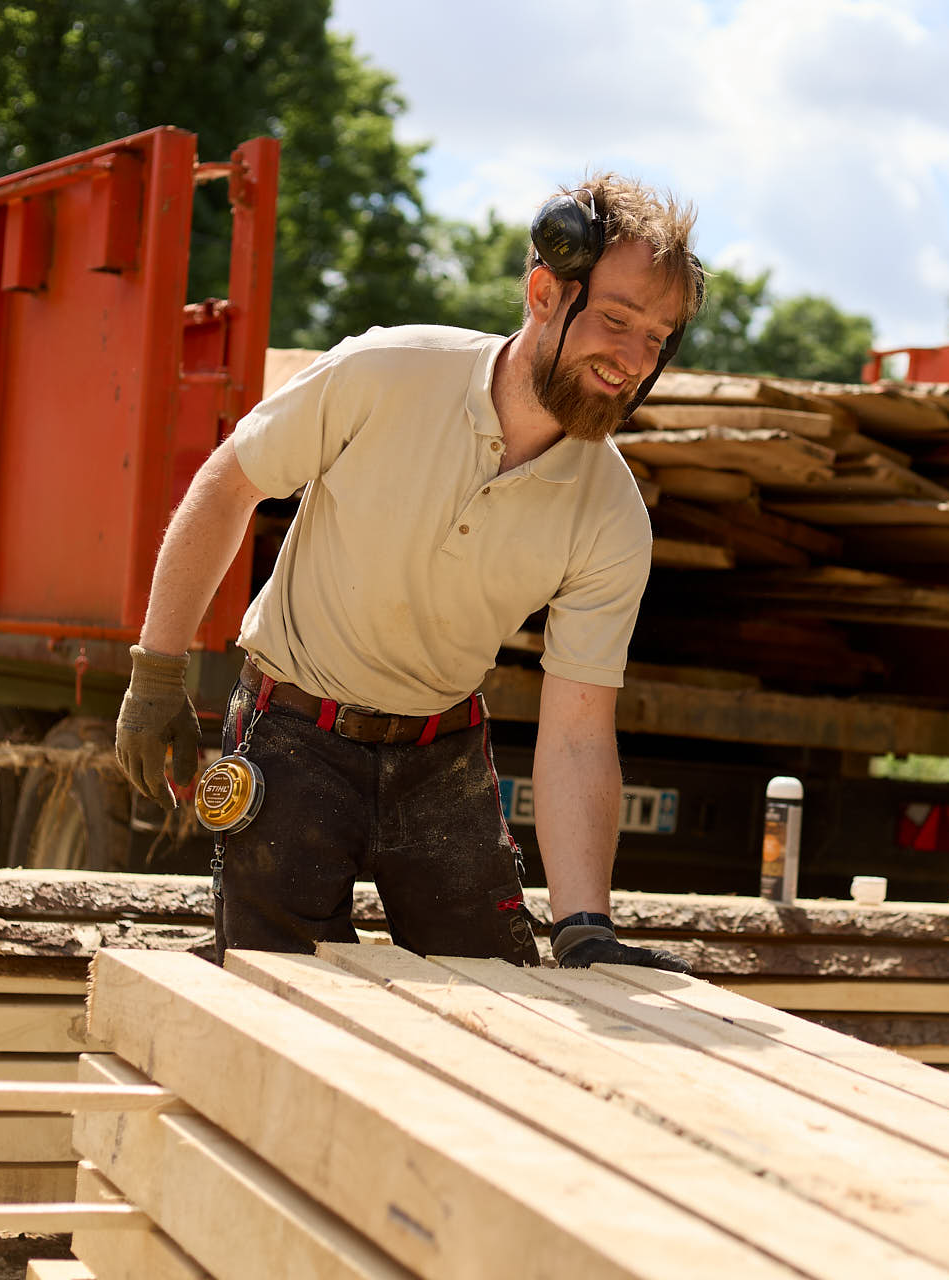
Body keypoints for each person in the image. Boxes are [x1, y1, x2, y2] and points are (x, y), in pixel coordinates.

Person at [113, 175, 703, 973]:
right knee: (275, 989)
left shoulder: (612, 514)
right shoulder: (387, 371)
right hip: (292, 735)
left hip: (440, 758)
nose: (634, 360)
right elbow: (228, 486)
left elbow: (576, 734)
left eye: (657, 339)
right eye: (617, 320)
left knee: (500, 990)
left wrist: (584, 927)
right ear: (543, 293)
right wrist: (157, 671)